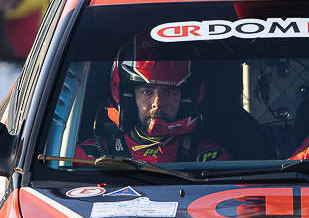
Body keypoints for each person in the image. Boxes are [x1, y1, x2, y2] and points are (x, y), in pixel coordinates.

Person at [76, 49, 230, 164]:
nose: (158, 103)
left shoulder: (210, 159)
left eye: (170, 92)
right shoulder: (89, 157)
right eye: (147, 92)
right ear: (128, 97)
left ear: (185, 100)